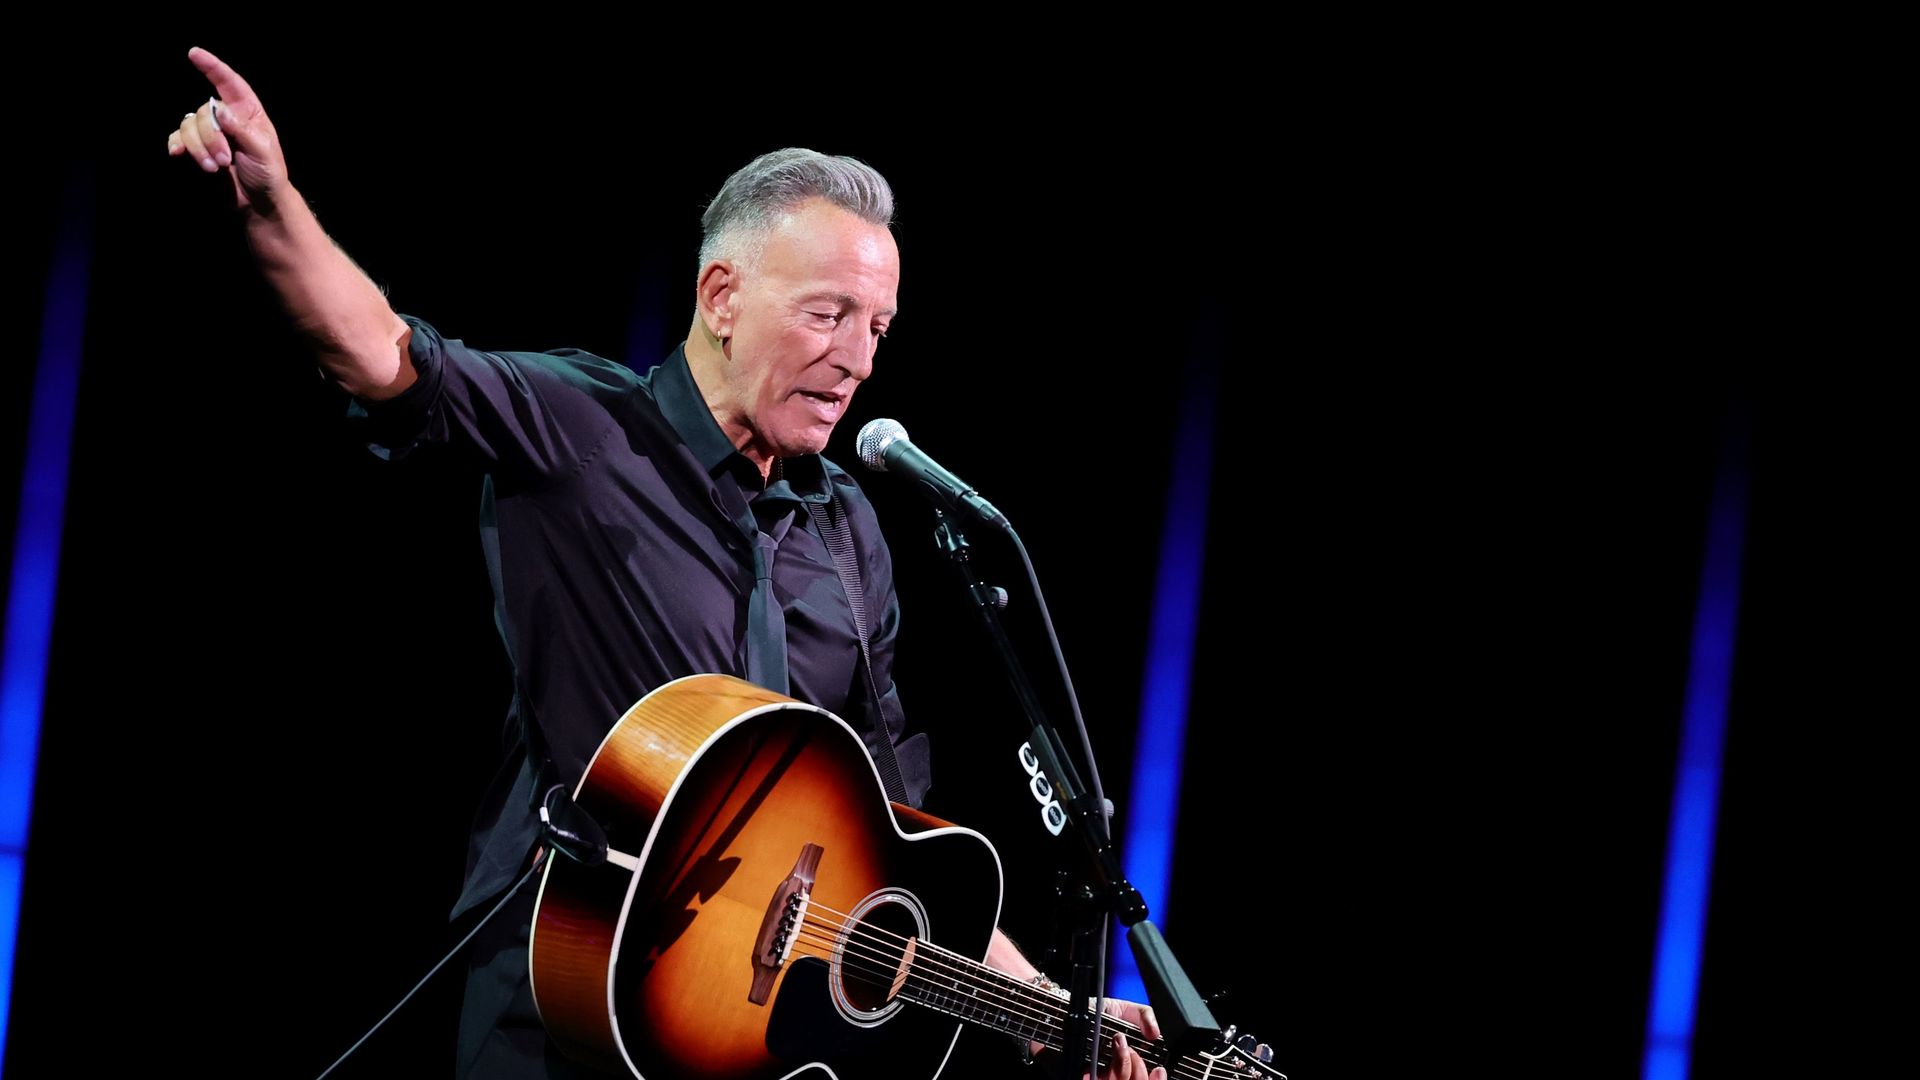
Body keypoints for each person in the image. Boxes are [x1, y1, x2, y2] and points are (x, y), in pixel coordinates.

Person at [167, 45, 1165, 1080]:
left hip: (740, 1044)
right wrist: (271, 206)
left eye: (877, 327)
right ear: (722, 295)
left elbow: (894, 841)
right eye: (828, 314)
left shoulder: (851, 529)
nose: (859, 358)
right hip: (561, 998)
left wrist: (1049, 1004)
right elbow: (379, 355)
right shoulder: (582, 429)